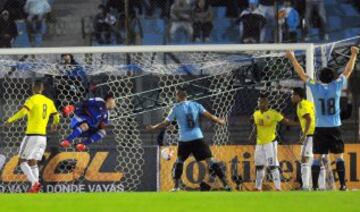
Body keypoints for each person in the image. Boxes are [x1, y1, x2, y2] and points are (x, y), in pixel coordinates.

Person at [286, 46, 359, 191]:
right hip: (334, 127)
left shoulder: (315, 87)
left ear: (319, 77)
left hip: (319, 128)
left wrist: (292, 57)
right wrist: (353, 55)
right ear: (332, 77)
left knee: (317, 158)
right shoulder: (337, 85)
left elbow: (301, 73)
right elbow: (348, 71)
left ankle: (313, 186)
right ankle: (343, 185)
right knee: (339, 157)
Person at [146, 87, 230, 191]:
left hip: (184, 139)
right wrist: (220, 121)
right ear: (186, 96)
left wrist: (154, 127)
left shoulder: (176, 108)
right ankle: (226, 185)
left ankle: (176, 187)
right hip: (197, 137)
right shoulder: (196, 105)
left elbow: (166, 123)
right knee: (210, 160)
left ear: (178, 96)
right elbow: (210, 116)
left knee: (179, 161)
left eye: (176, 95)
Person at [4, 80, 60, 193]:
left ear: (33, 88)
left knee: (21, 161)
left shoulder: (31, 100)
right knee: (33, 161)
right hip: (42, 137)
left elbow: (23, 112)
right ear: (42, 88)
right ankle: (36, 187)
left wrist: (10, 120)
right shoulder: (49, 101)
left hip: (32, 135)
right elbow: (57, 116)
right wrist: (54, 125)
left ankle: (35, 183)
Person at [250, 94, 298, 191]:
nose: (261, 103)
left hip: (270, 143)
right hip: (259, 143)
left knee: (273, 166)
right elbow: (255, 126)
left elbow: (286, 121)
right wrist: (252, 135)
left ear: (267, 103)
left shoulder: (273, 113)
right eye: (259, 101)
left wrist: (299, 124)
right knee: (259, 166)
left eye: (263, 101)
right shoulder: (256, 114)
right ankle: (257, 188)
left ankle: (278, 188)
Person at [291, 87, 326, 190]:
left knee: (304, 160)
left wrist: (304, 134)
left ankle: (306, 186)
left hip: (311, 135)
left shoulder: (301, 104)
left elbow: (309, 119)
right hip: (319, 133)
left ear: (298, 96)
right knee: (320, 160)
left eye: (293, 94)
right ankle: (322, 187)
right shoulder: (309, 103)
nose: (291, 97)